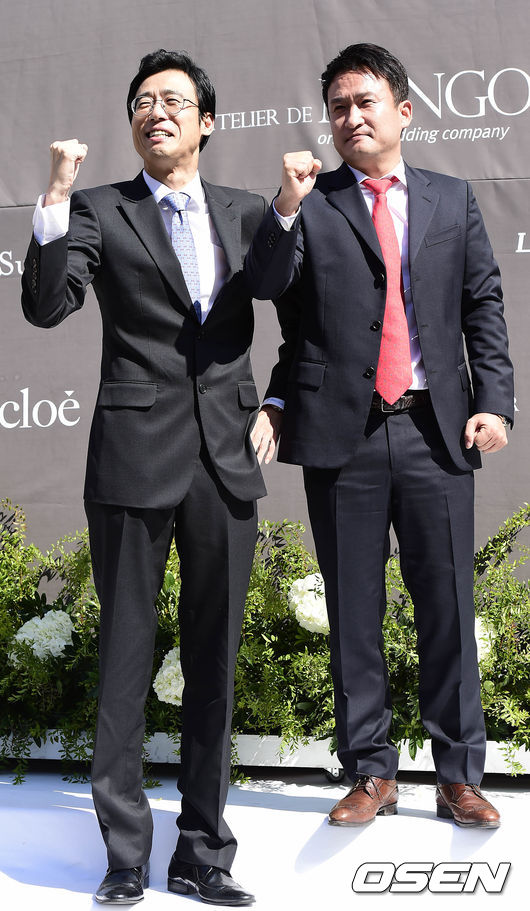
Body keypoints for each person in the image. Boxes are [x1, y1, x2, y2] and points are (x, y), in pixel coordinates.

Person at [21, 48, 271, 906]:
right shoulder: (99, 207)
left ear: (207, 121)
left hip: (226, 460)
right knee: (126, 660)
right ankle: (124, 854)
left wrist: (278, 403)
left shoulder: (247, 212)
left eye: (172, 99)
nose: (154, 111)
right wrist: (55, 199)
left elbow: (308, 310)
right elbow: (47, 304)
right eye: (141, 102)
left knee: (215, 663)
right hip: (133, 459)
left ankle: (203, 852)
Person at [247, 43, 514, 828]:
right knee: (353, 610)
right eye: (338, 107)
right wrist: (286, 205)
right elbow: (265, 284)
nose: (351, 117)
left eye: (365, 102)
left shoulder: (451, 199)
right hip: (345, 435)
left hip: (436, 429)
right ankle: (370, 770)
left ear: (403, 111)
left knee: (448, 605)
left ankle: (459, 776)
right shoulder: (311, 202)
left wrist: (495, 402)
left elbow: (483, 305)